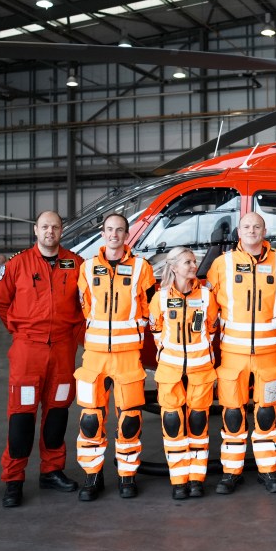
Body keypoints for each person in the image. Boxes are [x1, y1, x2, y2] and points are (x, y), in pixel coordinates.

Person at [0, 211, 85, 508]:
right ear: (35, 230)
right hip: (27, 352)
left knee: (58, 413)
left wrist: (72, 336)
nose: (50, 231)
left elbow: (86, 303)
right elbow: (2, 303)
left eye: (55, 227)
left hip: (61, 350)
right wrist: (22, 331)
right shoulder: (17, 265)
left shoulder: (76, 264)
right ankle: (14, 479)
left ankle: (52, 471)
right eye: (45, 226)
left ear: (61, 230)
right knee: (21, 416)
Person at [74, 212, 156, 501]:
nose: (114, 235)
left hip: (127, 357)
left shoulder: (141, 268)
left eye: (120, 230)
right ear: (102, 232)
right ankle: (92, 477)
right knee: (90, 420)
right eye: (109, 229)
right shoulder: (86, 268)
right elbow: (83, 306)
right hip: (94, 356)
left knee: (129, 419)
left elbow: (150, 307)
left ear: (126, 233)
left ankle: (126, 476)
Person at [207, 212, 276, 495]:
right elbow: (209, 309)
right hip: (233, 355)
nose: (252, 230)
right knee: (232, 415)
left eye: (257, 226)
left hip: (269, 355)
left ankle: (269, 471)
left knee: (267, 414)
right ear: (238, 232)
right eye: (246, 226)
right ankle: (231, 472)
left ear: (265, 230)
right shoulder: (222, 264)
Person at [148, 247, 218, 500]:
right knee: (173, 424)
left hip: (201, 368)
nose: (193, 265)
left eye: (194, 261)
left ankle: (197, 479)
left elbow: (211, 329)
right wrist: (169, 351)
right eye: (187, 262)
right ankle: (179, 480)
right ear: (174, 267)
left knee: (198, 424)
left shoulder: (208, 297)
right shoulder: (161, 298)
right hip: (170, 370)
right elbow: (156, 329)